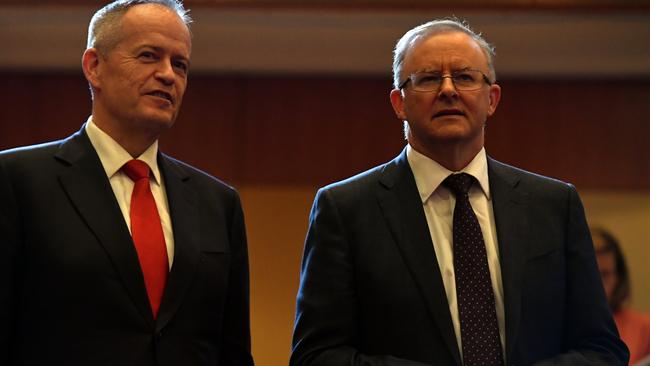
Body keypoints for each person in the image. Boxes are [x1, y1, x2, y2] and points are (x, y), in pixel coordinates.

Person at [291, 18, 628, 366]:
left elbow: (602, 350)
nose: (448, 90)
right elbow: (315, 356)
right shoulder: (345, 209)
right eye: (429, 78)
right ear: (399, 103)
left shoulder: (554, 205)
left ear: (492, 99)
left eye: (465, 77)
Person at [0, 1, 253, 365]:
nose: (168, 75)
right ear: (94, 67)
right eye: (149, 56)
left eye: (179, 64)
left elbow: (232, 351)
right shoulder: (17, 181)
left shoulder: (218, 203)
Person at [592, 227, 650, 366]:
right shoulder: (558, 329)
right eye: (591, 274)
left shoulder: (644, 327)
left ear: (618, 278)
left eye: (605, 275)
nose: (597, 284)